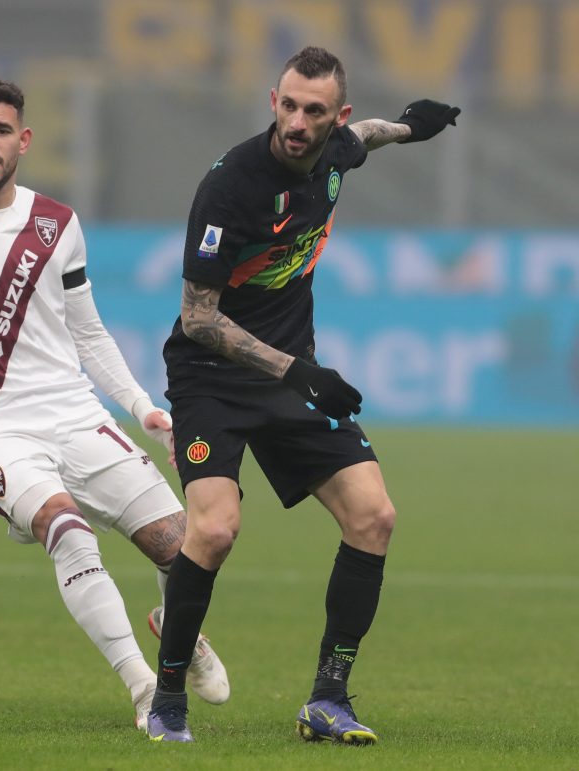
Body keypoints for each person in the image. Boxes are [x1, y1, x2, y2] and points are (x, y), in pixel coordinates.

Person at [0, 76, 230, 731]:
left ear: (24, 141)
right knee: (68, 531)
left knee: (189, 542)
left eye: (1, 130)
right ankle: (144, 689)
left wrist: (138, 405)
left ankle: (176, 629)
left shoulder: (56, 223)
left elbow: (87, 329)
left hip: (76, 414)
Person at [146, 47, 461, 744]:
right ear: (273, 101)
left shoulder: (335, 150)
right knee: (216, 528)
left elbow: (367, 136)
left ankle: (328, 697)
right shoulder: (229, 188)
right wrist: (295, 371)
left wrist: (411, 125)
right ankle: (168, 698)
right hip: (212, 376)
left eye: (313, 110)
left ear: (333, 117)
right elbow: (198, 317)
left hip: (291, 374)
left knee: (374, 515)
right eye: (287, 105)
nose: (296, 121)